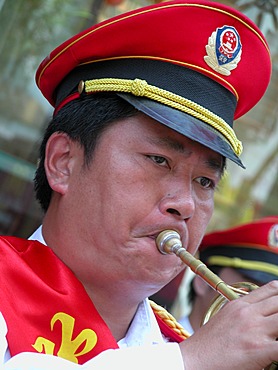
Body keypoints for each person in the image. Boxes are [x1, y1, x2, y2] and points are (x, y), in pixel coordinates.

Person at [0, 0, 277, 369]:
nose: (186, 205)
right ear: (63, 162)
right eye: (159, 160)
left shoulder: (185, 347)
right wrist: (191, 359)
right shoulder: (195, 356)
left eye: (205, 181)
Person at [179, 216, 278, 334]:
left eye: (273, 296)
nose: (263, 302)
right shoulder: (158, 348)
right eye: (250, 287)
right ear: (203, 282)